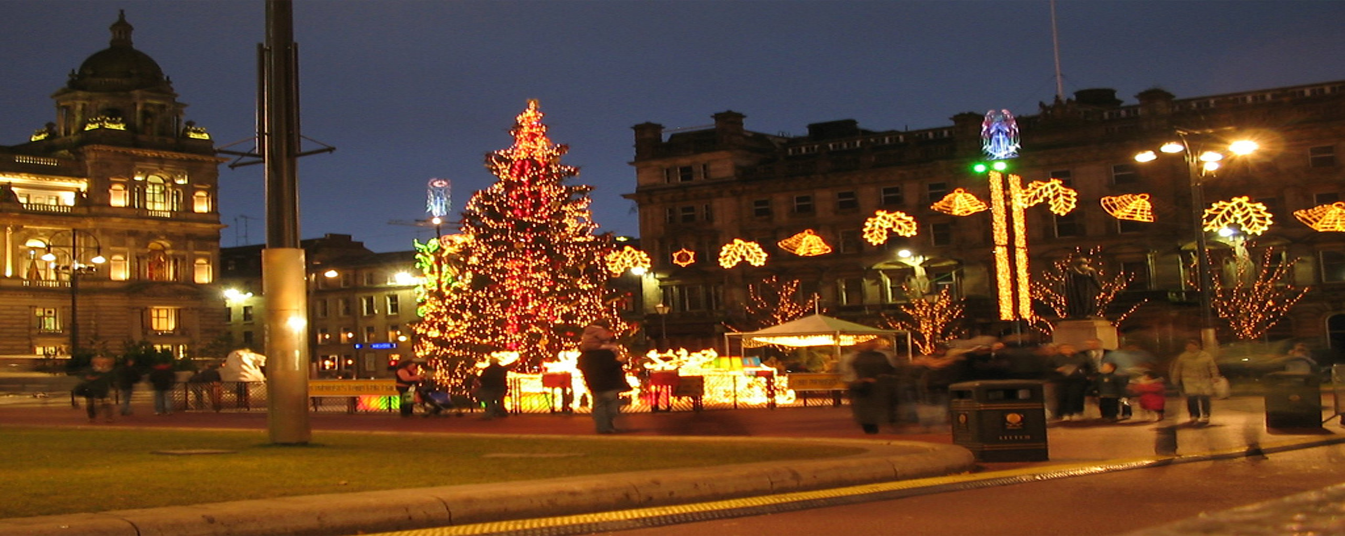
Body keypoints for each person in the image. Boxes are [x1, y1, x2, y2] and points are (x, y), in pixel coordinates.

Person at [577, 320, 628, 434]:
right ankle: (606, 427)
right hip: (608, 383)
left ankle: (604, 427)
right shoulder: (606, 353)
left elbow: (581, 366)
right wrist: (620, 361)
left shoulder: (585, 354)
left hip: (594, 383)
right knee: (611, 406)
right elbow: (609, 366)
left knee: (600, 405)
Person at [844, 339, 896, 434]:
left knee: (869, 411)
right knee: (869, 411)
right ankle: (873, 428)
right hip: (868, 387)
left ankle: (872, 428)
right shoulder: (880, 356)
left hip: (869, 388)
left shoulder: (855, 358)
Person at [1169, 339, 1222, 425]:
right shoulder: (1182, 357)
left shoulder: (1205, 356)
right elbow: (1177, 369)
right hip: (1189, 380)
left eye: (1193, 346)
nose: (1191, 348)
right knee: (1192, 399)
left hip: (1204, 379)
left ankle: (1206, 415)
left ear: (1197, 346)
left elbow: (1212, 367)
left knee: (1205, 398)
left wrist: (1215, 376)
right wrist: (1175, 380)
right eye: (1188, 346)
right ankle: (1194, 415)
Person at [1053, 343, 1092, 421]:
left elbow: (1090, 367)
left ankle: (1077, 412)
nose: (1068, 350)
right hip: (1061, 380)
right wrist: (1056, 370)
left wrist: (1087, 375)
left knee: (1076, 396)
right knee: (1063, 397)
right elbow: (1047, 368)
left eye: (1069, 348)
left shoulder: (1081, 357)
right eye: (1065, 348)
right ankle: (1064, 413)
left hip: (1078, 380)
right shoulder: (1054, 358)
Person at [77, 356, 115, 422]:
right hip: (91, 390)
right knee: (91, 404)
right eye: (100, 361)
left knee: (107, 404)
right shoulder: (90, 370)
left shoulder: (106, 371)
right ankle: (92, 417)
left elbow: (110, 379)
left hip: (103, 389)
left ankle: (108, 417)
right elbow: (85, 377)